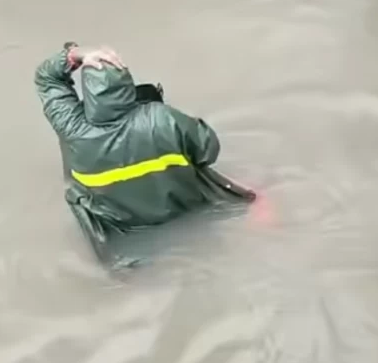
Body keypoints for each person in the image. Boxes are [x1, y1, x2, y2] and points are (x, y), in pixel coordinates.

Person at [34, 43, 254, 263]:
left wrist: (76, 55)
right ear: (127, 83)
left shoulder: (72, 128)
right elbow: (208, 151)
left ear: (90, 94)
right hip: (183, 210)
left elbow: (46, 78)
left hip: (120, 228)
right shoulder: (163, 118)